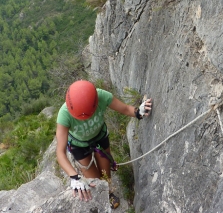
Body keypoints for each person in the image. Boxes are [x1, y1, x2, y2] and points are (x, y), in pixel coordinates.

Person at [56, 80, 152, 209]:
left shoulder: (101, 96)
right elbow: (60, 152)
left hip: (100, 138)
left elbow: (124, 108)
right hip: (79, 146)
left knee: (105, 175)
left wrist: (137, 112)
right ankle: (103, 195)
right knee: (94, 182)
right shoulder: (64, 115)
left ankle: (109, 193)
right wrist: (74, 176)